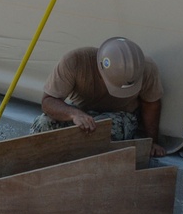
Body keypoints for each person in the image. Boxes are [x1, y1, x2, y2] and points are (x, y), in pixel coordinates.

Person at [30, 36, 167, 158]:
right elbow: (48, 101)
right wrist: (73, 114)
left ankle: (78, 162)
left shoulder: (147, 69)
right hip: (81, 112)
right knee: (43, 124)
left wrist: (152, 142)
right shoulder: (75, 61)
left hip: (119, 117)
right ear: (100, 70)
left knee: (103, 132)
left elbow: (151, 104)